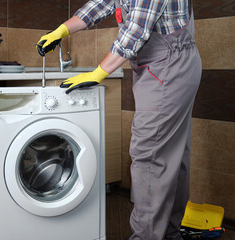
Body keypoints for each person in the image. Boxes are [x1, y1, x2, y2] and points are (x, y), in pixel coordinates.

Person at [36, 0, 202, 239]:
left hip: (169, 67)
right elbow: (99, 5)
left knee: (150, 155)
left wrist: (98, 73)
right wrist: (61, 30)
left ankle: (147, 236)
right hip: (160, 67)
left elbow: (136, 29)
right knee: (172, 155)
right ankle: (169, 234)